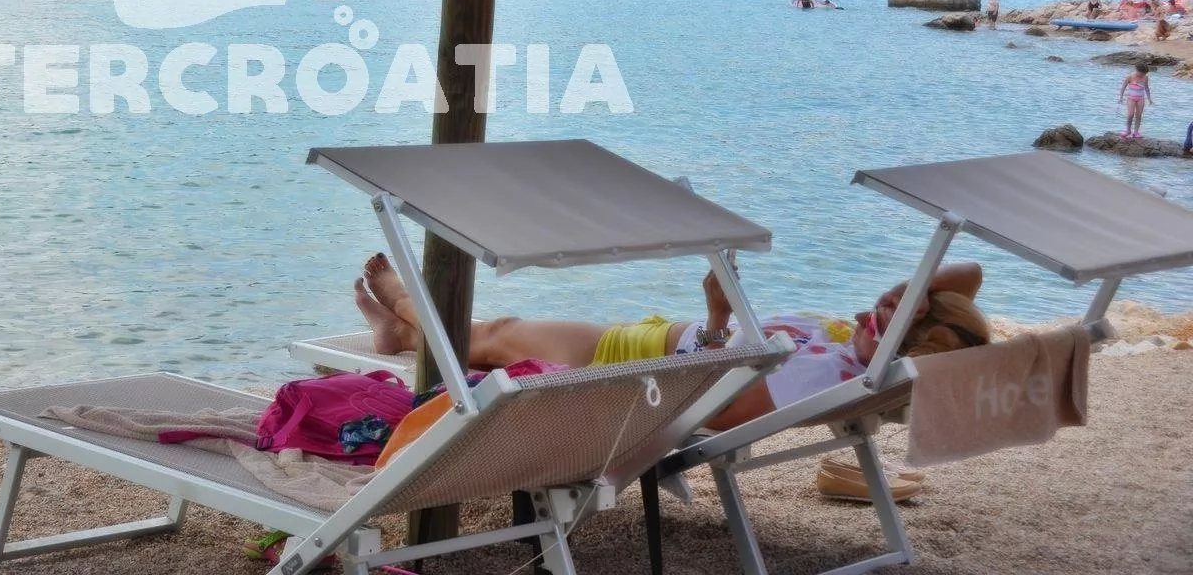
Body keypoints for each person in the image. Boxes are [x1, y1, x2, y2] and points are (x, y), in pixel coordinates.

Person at [351, 254, 987, 431]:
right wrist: (912, 296)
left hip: (630, 369)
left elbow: (708, 408)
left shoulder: (817, 377)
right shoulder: (858, 359)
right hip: (653, 346)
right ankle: (400, 334)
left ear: (906, 351)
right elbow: (971, 274)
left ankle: (406, 304)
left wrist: (715, 317)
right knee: (500, 334)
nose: (875, 313)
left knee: (496, 336)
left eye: (886, 325)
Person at [1120, 63, 1153, 139]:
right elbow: (1123, 87)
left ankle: (1136, 132)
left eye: (1144, 74)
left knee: (1139, 115)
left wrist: (1149, 99)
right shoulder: (1130, 77)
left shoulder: (1145, 77)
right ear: (1137, 70)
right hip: (1131, 98)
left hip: (1140, 98)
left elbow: (1146, 88)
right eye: (1141, 73)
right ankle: (1128, 130)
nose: (1142, 75)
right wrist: (1121, 97)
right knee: (1130, 115)